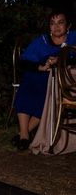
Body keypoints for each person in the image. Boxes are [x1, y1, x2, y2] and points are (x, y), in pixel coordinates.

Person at [12, 9, 75, 150]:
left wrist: (62, 59)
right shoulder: (42, 41)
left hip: (63, 78)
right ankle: (24, 135)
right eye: (52, 23)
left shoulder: (74, 38)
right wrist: (39, 67)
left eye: (61, 23)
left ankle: (23, 134)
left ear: (68, 25)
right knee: (28, 82)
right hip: (40, 73)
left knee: (45, 93)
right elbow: (24, 62)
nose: (56, 26)